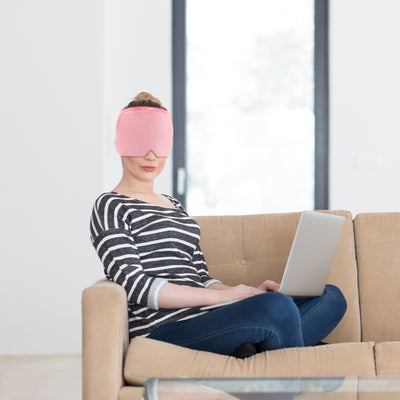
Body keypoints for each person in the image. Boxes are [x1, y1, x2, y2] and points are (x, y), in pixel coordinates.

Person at [90, 92, 347, 358]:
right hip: (166, 329)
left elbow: (201, 278)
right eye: (141, 143)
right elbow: (137, 285)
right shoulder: (111, 205)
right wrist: (222, 298)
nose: (151, 155)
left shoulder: (175, 206)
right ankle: (276, 354)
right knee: (278, 308)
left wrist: (247, 293)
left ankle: (258, 346)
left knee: (330, 297)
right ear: (121, 143)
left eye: (158, 143)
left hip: (211, 318)